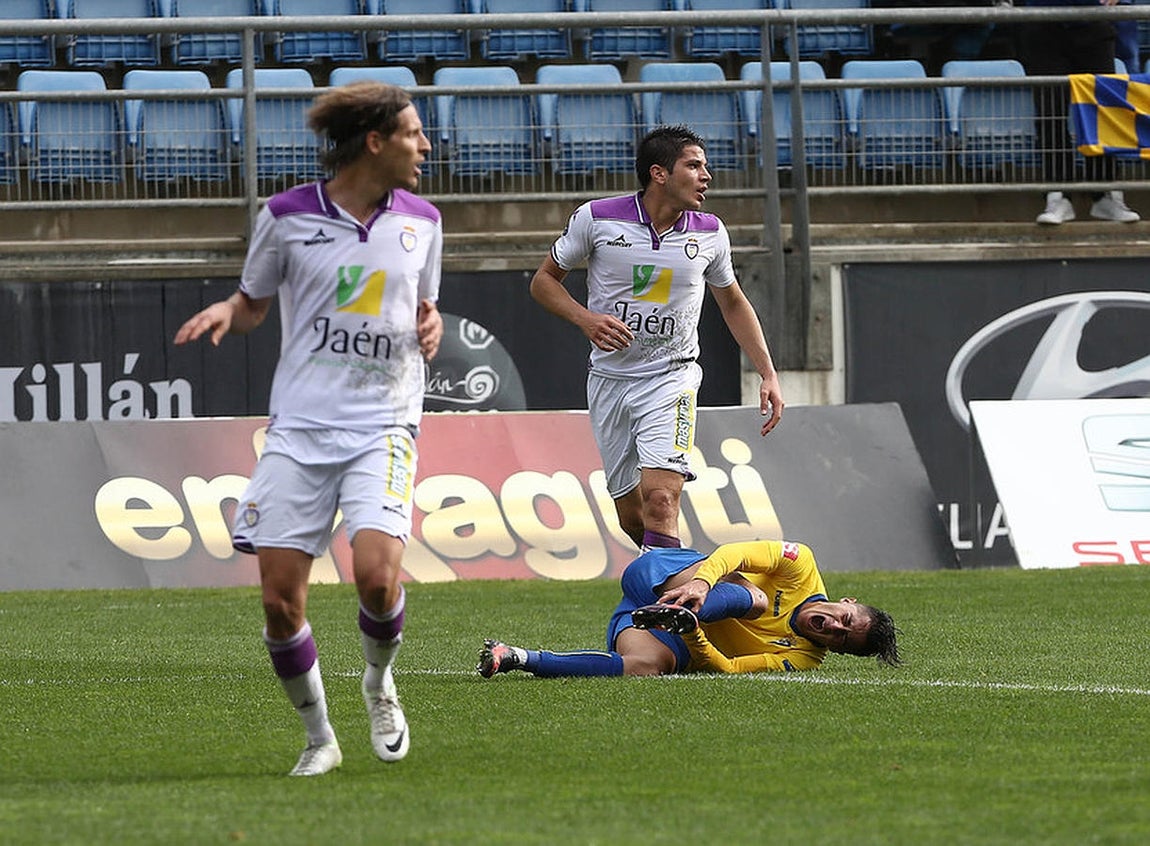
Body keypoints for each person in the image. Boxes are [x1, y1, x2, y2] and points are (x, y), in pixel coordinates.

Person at [173, 81, 443, 776]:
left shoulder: (425, 220)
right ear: (376, 142)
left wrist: (431, 321)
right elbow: (254, 301)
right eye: (414, 134)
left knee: (378, 583)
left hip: (383, 423)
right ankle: (320, 737)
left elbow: (425, 305)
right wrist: (230, 313)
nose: (426, 146)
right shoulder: (287, 215)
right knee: (278, 599)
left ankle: (379, 682)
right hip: (300, 429)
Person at [529, 125, 785, 553]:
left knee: (662, 500)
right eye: (694, 165)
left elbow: (733, 303)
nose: (707, 176)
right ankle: (682, 581)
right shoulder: (596, 219)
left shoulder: (710, 232)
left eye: (705, 166)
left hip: (673, 378)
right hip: (610, 381)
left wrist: (768, 372)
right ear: (659, 173)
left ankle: (674, 609)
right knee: (634, 518)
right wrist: (586, 320)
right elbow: (543, 281)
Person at [477, 539, 901, 679]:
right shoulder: (801, 564)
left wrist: (692, 632)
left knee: (644, 666)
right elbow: (734, 553)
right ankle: (687, 600)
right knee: (752, 597)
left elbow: (728, 669)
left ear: (837, 651)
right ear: (847, 603)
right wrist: (701, 584)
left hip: (654, 622)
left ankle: (515, 656)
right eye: (844, 619)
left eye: (840, 638)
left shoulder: (803, 659)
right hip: (664, 576)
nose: (832, 627)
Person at [1020, 0, 1141, 224]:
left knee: (1103, 112)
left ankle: (1104, 193)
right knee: (1050, 113)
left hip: (1093, 22)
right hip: (1043, 23)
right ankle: (1058, 195)